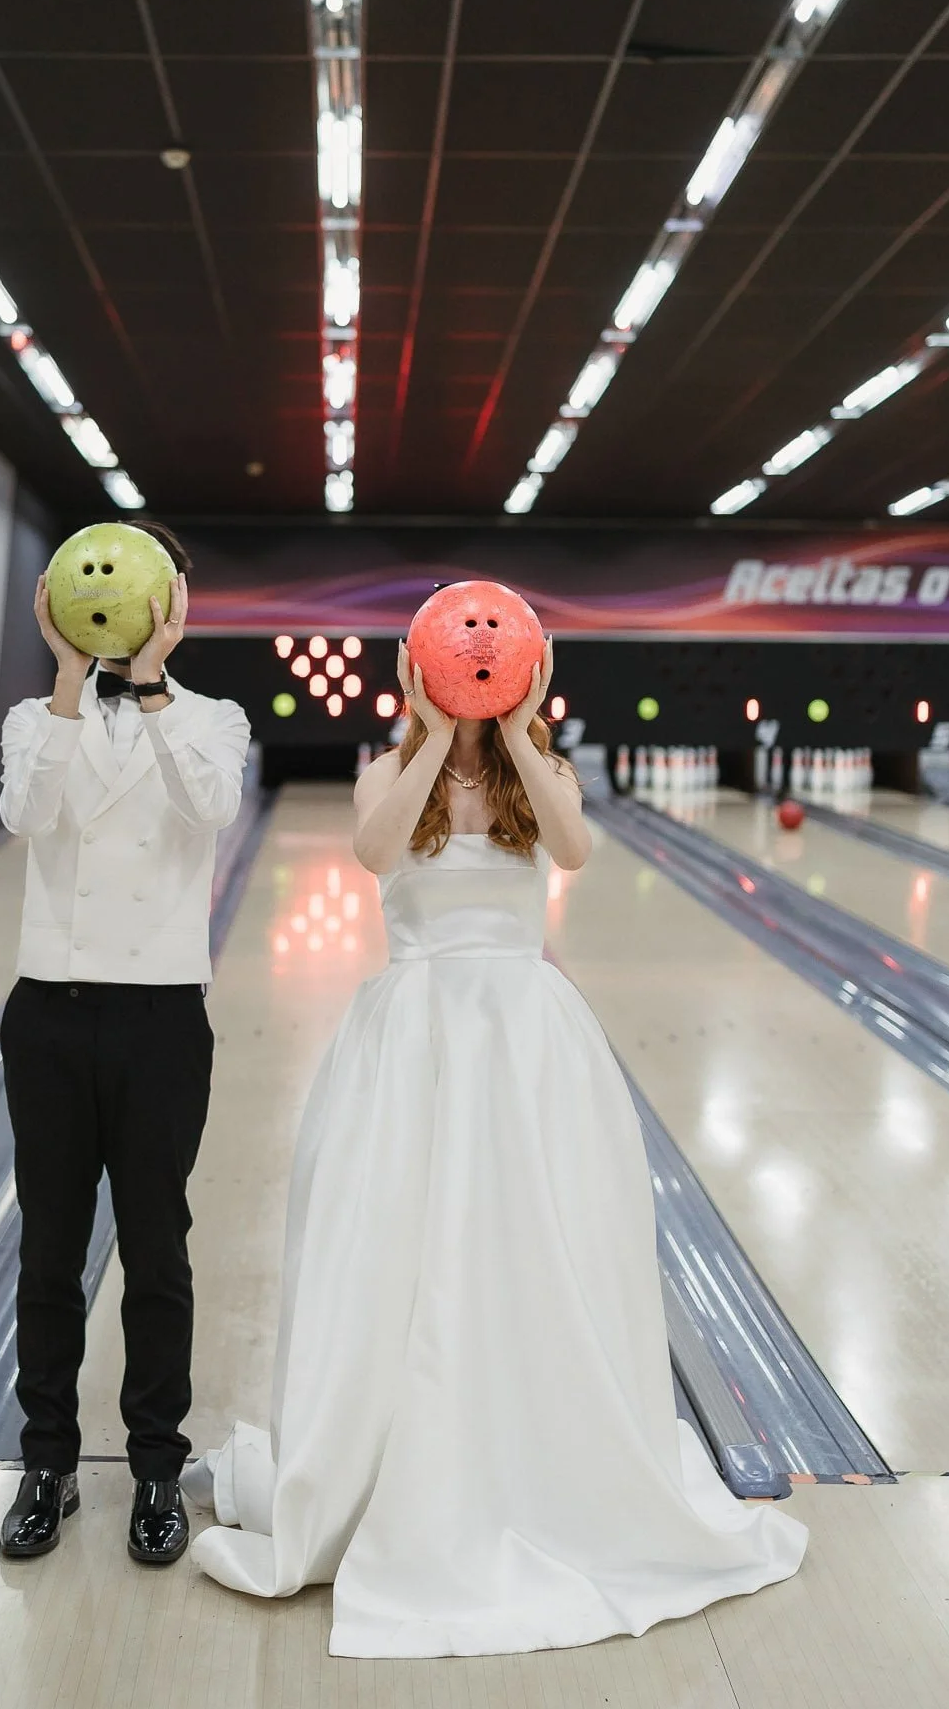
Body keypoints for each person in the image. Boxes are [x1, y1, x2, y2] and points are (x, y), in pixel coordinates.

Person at [188, 633, 807, 1657]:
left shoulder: (544, 773)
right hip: (415, 1038)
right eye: (452, 661)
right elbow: (376, 852)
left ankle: (530, 1460)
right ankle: (399, 1468)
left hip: (523, 1037)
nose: (475, 670)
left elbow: (572, 849)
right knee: (407, 1260)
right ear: (417, 675)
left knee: (527, 1255)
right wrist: (432, 728)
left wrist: (519, 729)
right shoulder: (391, 769)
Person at [0, 523, 250, 1567]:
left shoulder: (211, 720)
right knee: (49, 1250)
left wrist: (149, 686)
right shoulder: (32, 717)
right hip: (48, 1011)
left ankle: (155, 1465)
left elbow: (213, 809)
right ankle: (46, 1461)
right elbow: (27, 815)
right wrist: (68, 677)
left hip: (158, 1018)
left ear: (173, 602)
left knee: (157, 1248)